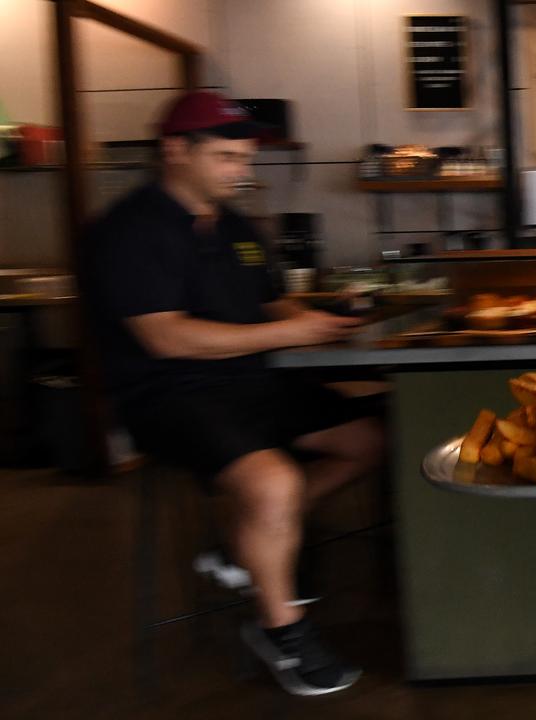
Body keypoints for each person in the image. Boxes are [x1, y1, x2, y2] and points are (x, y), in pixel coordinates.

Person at [87, 91, 383, 696]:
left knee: (370, 440)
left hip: (252, 382)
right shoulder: (130, 231)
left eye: (245, 157)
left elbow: (270, 304)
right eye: (226, 157)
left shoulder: (239, 228)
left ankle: (239, 544)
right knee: (272, 482)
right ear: (175, 151)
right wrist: (287, 331)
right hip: (169, 395)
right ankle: (282, 633)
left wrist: (322, 320)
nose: (241, 171)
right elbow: (165, 337)